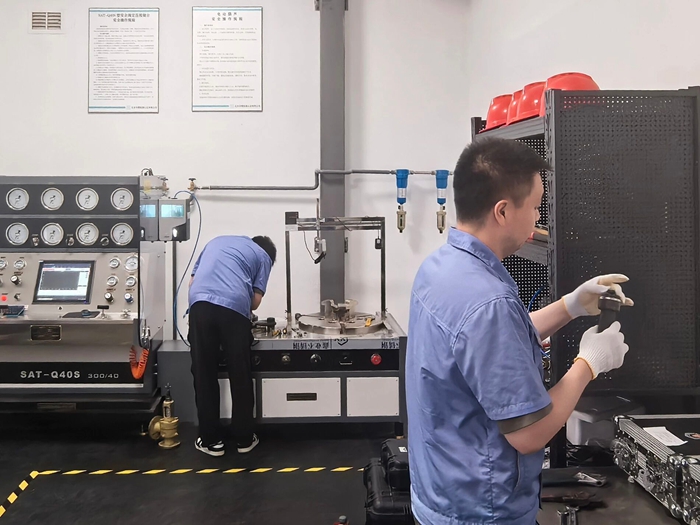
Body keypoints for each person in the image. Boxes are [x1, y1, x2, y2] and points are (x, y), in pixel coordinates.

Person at [406, 138, 633, 525]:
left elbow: (484, 345)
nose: (538, 216)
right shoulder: (488, 301)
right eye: (535, 206)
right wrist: (589, 364)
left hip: (440, 494)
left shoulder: (440, 268)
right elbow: (529, 435)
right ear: (503, 211)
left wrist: (571, 306)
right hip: (482, 512)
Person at [188, 235, 276, 457]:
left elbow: (192, 281)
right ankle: (244, 439)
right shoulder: (264, 256)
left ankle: (210, 441)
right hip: (234, 309)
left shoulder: (216, 242)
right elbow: (255, 302)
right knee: (240, 372)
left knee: (204, 372)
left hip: (200, 304)